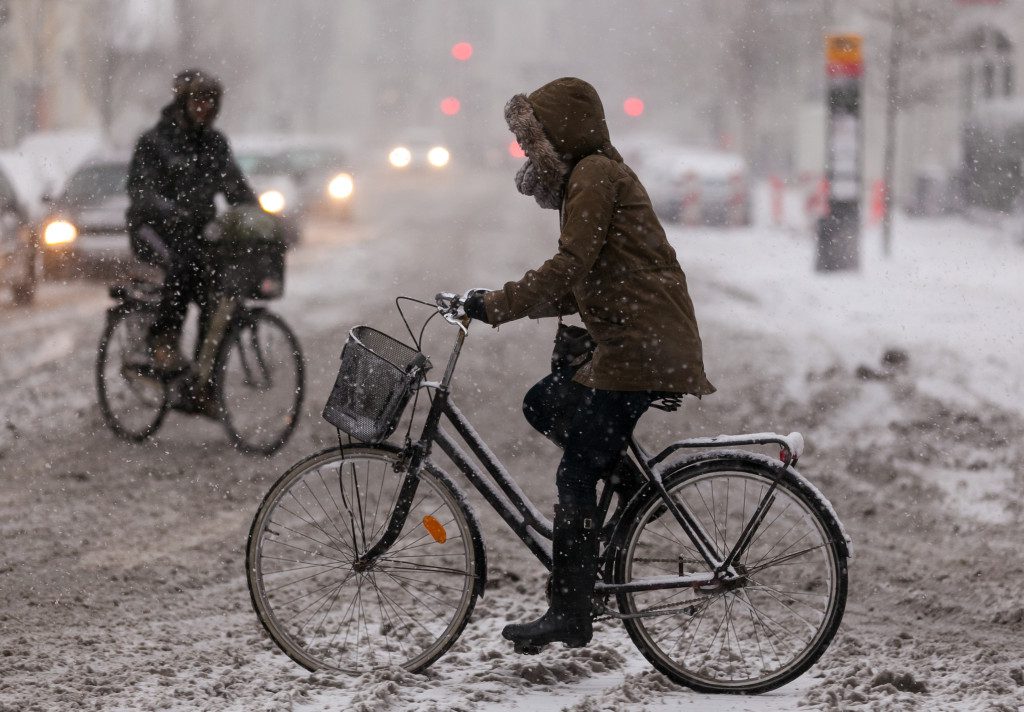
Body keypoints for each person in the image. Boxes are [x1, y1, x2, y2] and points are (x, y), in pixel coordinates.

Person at [462, 77, 715, 652]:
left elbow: (570, 263)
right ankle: (631, 487)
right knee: (545, 401)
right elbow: (580, 281)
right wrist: (497, 304)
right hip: (635, 339)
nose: (527, 151)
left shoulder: (595, 175)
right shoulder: (589, 174)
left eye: (533, 138)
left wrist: (499, 304)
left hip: (641, 345)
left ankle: (569, 612)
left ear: (561, 134)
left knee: (577, 472)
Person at [126, 68, 257, 373]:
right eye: (198, 101)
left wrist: (259, 217)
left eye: (211, 101)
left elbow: (236, 186)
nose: (205, 108)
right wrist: (168, 209)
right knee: (181, 266)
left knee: (214, 298)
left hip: (196, 234)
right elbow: (139, 190)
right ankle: (163, 342)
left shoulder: (214, 144)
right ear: (183, 102)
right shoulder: (155, 142)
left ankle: (201, 377)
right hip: (151, 230)